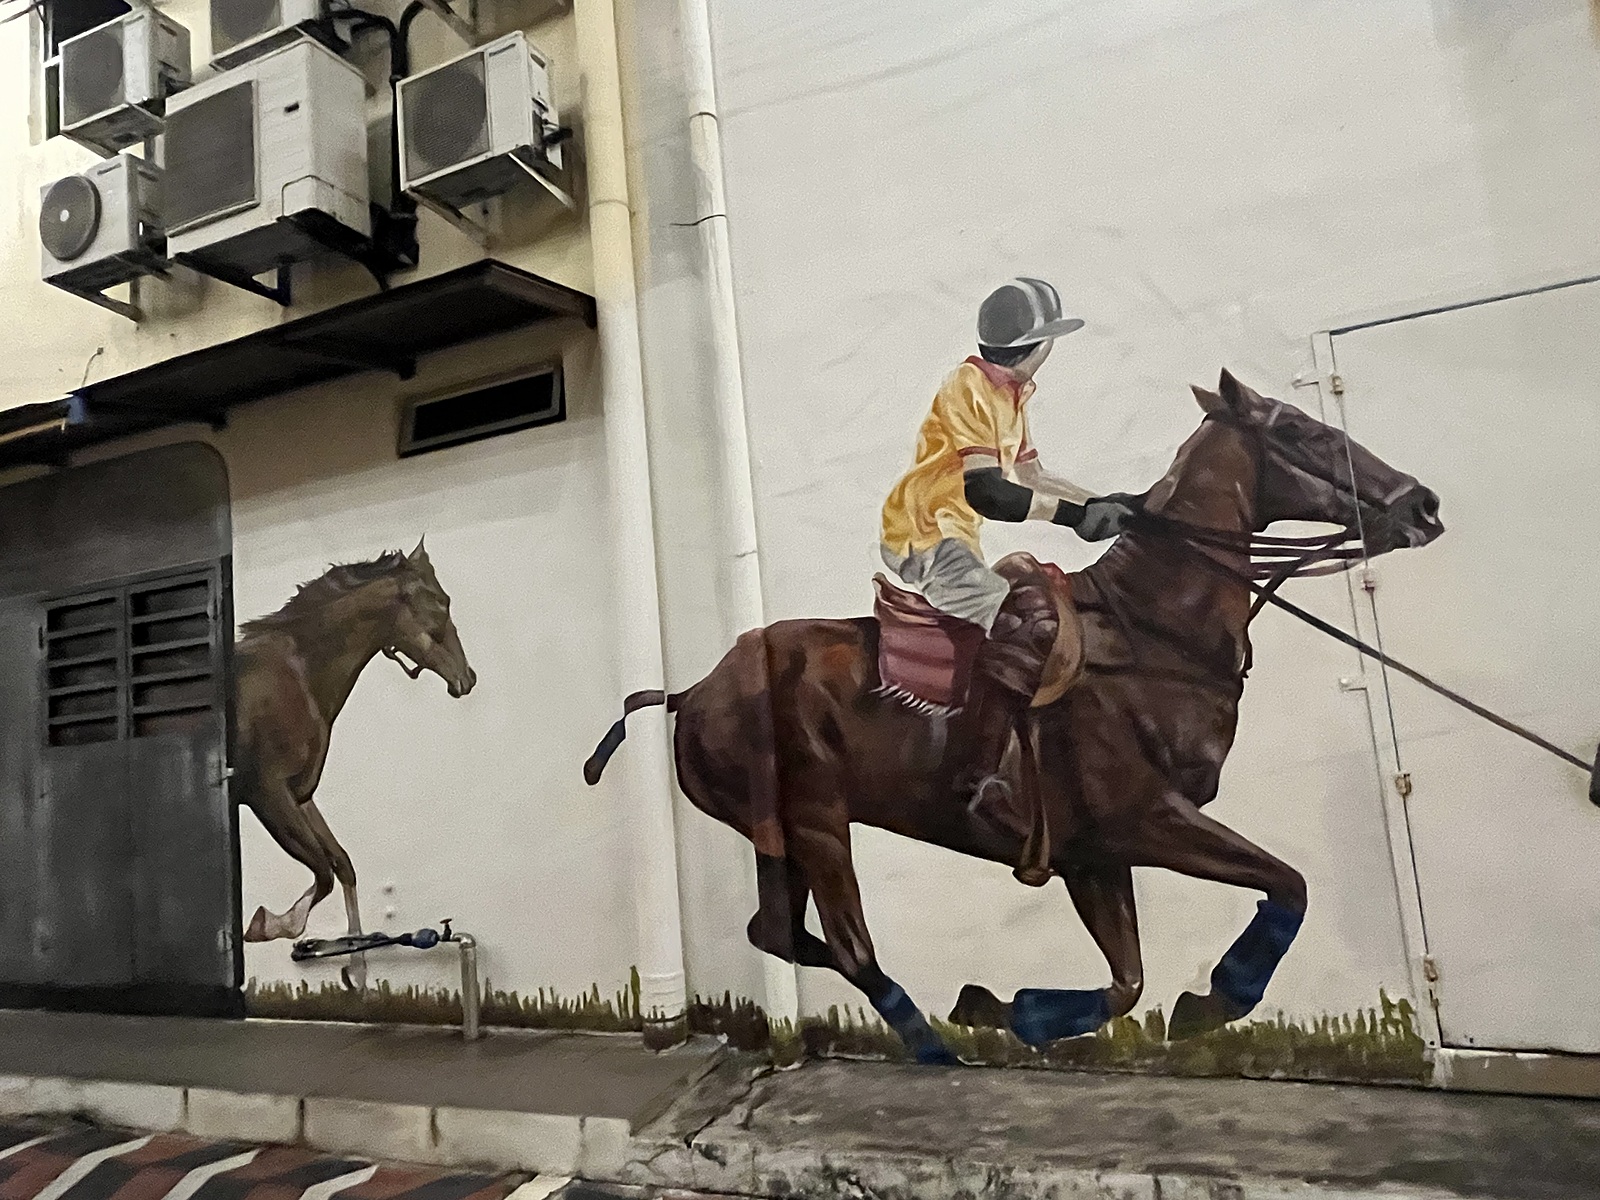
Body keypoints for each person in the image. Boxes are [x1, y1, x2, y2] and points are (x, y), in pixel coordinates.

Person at [879, 278, 1142, 885]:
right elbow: (989, 492)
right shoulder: (968, 387)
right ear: (1035, 343)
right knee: (1014, 626)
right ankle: (975, 775)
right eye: (1050, 339)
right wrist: (1079, 518)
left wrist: (1110, 501)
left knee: (1034, 609)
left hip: (954, 533)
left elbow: (1031, 473)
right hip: (924, 533)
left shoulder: (1012, 392)